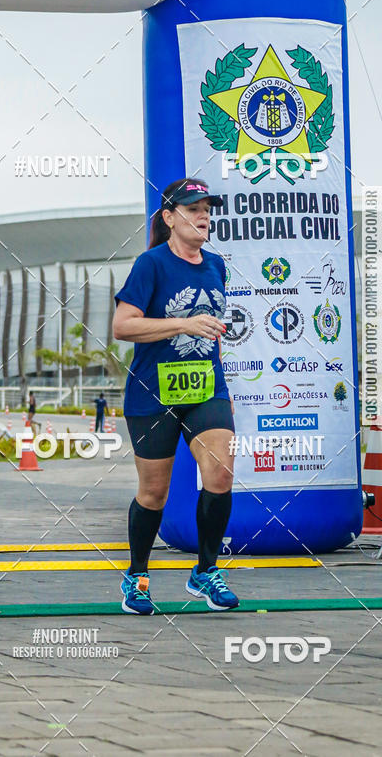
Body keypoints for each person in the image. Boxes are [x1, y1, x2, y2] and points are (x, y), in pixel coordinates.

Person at [113, 177, 238, 615]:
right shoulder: (151, 264)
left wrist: (221, 381)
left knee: (221, 471)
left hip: (206, 387)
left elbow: (212, 328)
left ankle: (205, 571)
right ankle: (137, 576)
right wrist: (184, 324)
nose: (204, 216)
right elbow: (122, 326)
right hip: (153, 392)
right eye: (193, 208)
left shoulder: (217, 265)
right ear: (169, 218)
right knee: (154, 493)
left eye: (207, 208)